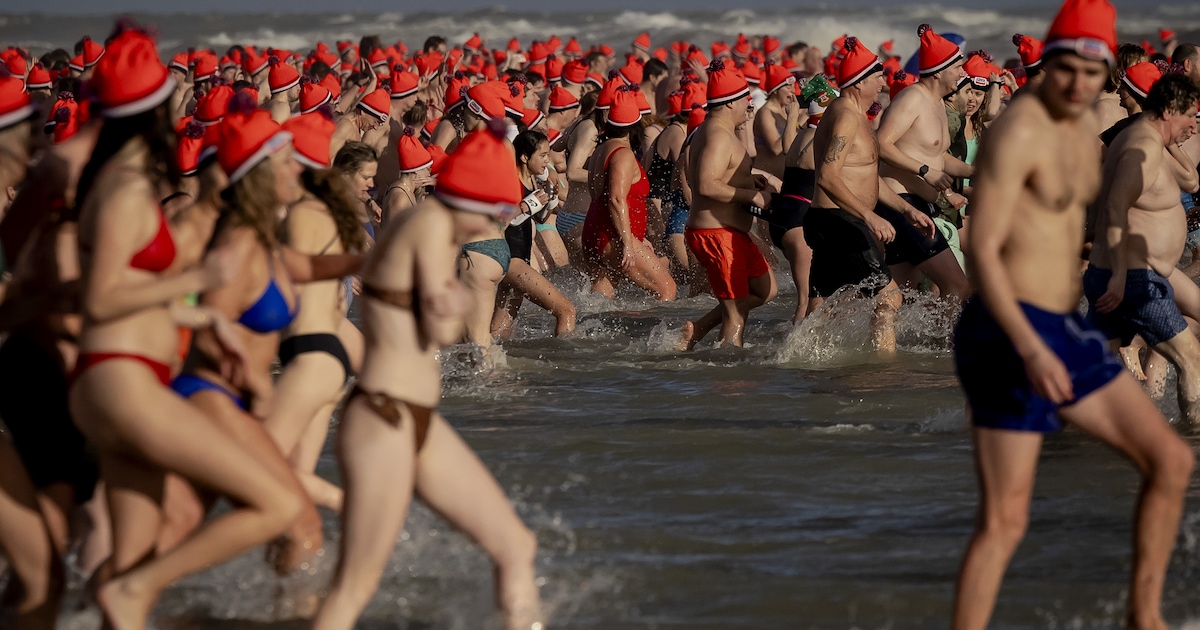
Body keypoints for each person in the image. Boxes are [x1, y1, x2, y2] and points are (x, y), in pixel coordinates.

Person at [952, 2, 1195, 628]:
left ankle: (1144, 617)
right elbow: (982, 247)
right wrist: (1030, 347)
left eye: (1094, 72)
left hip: (1063, 326)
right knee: (1006, 521)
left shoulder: (1082, 131)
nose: (1080, 82)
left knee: (1171, 462)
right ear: (1050, 61)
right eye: (1069, 67)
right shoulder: (1019, 130)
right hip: (1009, 332)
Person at [67, 26, 308, 628]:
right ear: (151, 114)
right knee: (277, 505)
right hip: (121, 379)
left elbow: (124, 293)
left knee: (131, 562)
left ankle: (98, 608)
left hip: (124, 377)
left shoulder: (121, 182)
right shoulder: (125, 189)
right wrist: (198, 278)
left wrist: (201, 315)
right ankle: (132, 593)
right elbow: (100, 299)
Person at [309, 122, 543, 630]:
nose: (499, 221)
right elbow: (439, 326)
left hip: (409, 418)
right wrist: (461, 299)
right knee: (354, 587)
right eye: (497, 210)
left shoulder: (422, 224)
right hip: (385, 418)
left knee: (516, 545)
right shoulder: (432, 229)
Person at [1084, 73, 1200, 422]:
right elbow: (1115, 206)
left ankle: (1044, 429)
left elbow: (1191, 180)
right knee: (1191, 359)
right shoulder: (1143, 147)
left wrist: (1173, 139)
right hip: (1133, 278)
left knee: (1090, 372)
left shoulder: (1148, 139)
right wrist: (1121, 276)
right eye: (1190, 116)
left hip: (1122, 274)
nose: (1195, 126)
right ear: (1169, 110)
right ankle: (1193, 438)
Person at [803, 38, 928, 354]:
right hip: (840, 220)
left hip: (831, 219)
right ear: (859, 82)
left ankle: (804, 363)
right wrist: (869, 216)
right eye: (878, 77)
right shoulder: (846, 116)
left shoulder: (852, 114)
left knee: (823, 307)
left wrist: (906, 209)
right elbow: (828, 176)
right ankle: (882, 368)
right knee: (890, 298)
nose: (883, 83)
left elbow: (866, 177)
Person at [679, 61, 776, 348]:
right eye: (746, 100)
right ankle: (730, 369)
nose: (749, 106)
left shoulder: (717, 131)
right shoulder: (718, 135)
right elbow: (706, 185)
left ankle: (698, 329)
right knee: (736, 316)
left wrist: (747, 179)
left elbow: (718, 174)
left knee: (765, 290)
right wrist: (751, 195)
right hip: (715, 234)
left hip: (729, 232)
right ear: (731, 102)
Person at [875, 24, 971, 302]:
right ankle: (946, 337)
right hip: (901, 204)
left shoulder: (937, 102)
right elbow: (881, 144)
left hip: (918, 205)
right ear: (939, 71)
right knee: (957, 286)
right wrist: (924, 172)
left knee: (897, 298)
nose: (962, 73)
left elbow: (937, 156)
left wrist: (977, 171)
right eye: (957, 67)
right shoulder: (912, 98)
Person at [582, 86, 676, 301]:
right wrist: (628, 242)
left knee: (601, 302)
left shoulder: (600, 150)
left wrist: (636, 240)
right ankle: (656, 327)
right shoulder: (622, 154)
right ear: (635, 128)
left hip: (597, 232)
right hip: (613, 236)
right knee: (666, 290)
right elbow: (616, 199)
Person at [492, 129, 576, 338]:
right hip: (510, 260)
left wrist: (548, 203)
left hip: (519, 259)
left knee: (500, 331)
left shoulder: (531, 179)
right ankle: (567, 357)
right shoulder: (510, 181)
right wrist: (526, 206)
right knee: (566, 310)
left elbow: (536, 219)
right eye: (543, 155)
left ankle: (483, 358)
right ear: (524, 157)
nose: (548, 161)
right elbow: (498, 222)